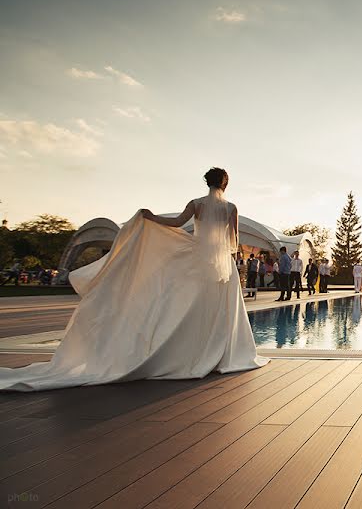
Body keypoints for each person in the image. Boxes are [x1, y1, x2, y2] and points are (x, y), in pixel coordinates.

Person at [0, 167, 268, 391]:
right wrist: (227, 253)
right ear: (225, 184)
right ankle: (219, 355)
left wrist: (151, 218)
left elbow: (176, 224)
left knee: (187, 306)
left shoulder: (196, 204)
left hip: (198, 260)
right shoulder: (232, 207)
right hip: (222, 264)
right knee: (221, 310)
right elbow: (234, 240)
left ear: (206, 182)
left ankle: (189, 353)